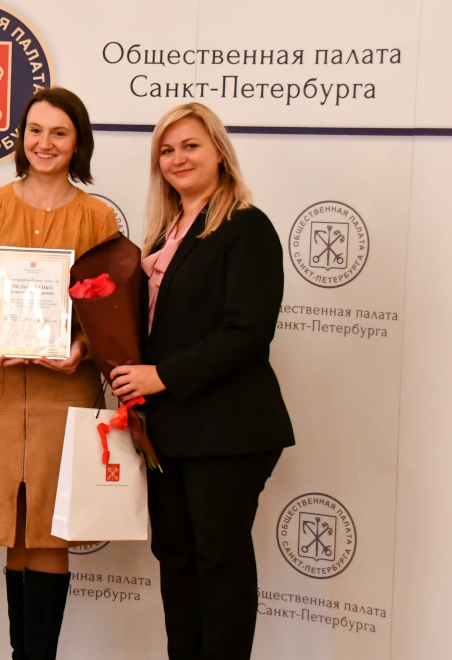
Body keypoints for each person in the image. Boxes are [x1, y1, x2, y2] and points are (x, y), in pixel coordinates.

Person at [110, 102, 295, 660]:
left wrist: (161, 375)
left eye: (190, 145)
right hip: (169, 431)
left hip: (228, 429)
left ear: (218, 151)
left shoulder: (246, 226)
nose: (178, 158)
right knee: (178, 561)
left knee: (219, 564)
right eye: (166, 150)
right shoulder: (162, 236)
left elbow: (247, 332)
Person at [0, 87, 119, 660]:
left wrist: (83, 347)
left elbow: (109, 313)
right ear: (20, 137)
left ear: (78, 143)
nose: (45, 143)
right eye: (35, 130)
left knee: (51, 529)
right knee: (15, 528)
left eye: (59, 133)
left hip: (64, 395)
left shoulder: (97, 217)